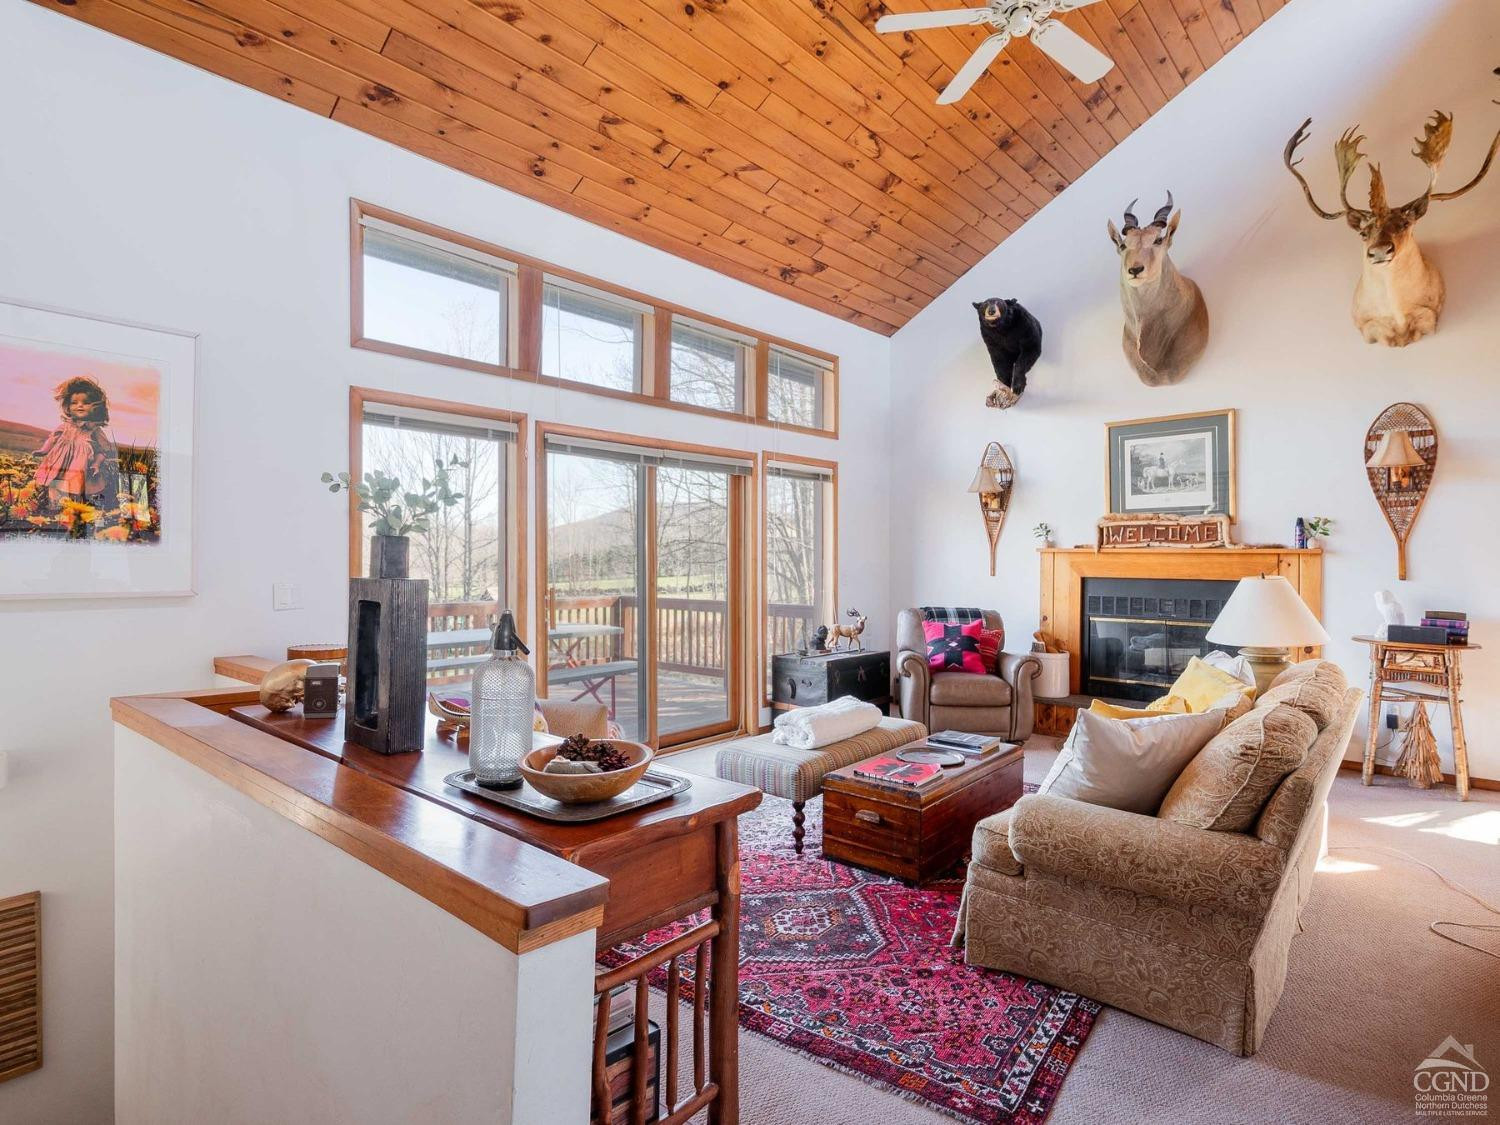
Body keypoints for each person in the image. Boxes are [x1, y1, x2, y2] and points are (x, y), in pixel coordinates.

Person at [34, 376, 119, 510]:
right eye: (74, 403)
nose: (79, 405)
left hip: (81, 467)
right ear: (67, 406)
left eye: (85, 403)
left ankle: (77, 510)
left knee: (77, 488)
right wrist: (44, 450)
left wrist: (97, 464)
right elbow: (53, 438)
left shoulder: (94, 430)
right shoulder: (65, 426)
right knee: (55, 485)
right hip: (59, 463)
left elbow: (102, 451)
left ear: (95, 406)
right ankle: (54, 509)